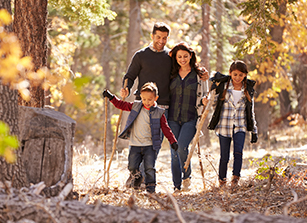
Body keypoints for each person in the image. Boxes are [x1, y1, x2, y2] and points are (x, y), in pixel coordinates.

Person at [120, 22, 172, 187]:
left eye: (164, 38)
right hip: (141, 104)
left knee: (154, 143)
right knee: (138, 142)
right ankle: (136, 174)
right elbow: (130, 75)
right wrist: (126, 88)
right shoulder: (141, 55)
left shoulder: (170, 56)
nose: (161, 41)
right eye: (158, 37)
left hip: (162, 106)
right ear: (152, 36)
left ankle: (141, 178)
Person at [103, 82, 178, 194]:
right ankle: (137, 177)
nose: (146, 102)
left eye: (150, 99)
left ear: (156, 98)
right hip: (135, 144)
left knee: (149, 168)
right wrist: (111, 97)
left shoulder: (159, 112)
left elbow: (165, 128)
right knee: (132, 166)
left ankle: (151, 190)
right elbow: (121, 105)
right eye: (144, 99)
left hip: (150, 145)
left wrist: (172, 141)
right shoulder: (136, 106)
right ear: (140, 98)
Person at [206, 60, 258, 189]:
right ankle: (222, 181)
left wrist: (254, 130)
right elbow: (214, 103)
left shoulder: (247, 90)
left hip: (240, 125)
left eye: (241, 75)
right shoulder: (224, 87)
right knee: (224, 155)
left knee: (238, 152)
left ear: (245, 75)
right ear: (230, 73)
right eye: (235, 74)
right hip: (224, 125)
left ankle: (235, 179)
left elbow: (251, 111)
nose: (237, 78)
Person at [168, 42, 209, 192]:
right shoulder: (171, 73)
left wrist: (205, 100)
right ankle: (176, 185)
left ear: (191, 56)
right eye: (179, 56)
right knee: (174, 151)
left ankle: (186, 177)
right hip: (172, 118)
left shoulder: (199, 75)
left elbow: (206, 93)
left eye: (185, 56)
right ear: (176, 58)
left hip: (190, 118)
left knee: (181, 147)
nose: (183, 59)